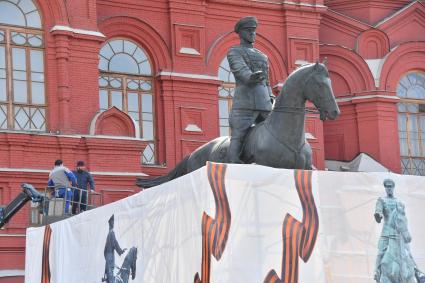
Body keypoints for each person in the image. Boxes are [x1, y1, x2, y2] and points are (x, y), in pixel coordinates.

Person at [227, 16, 275, 163]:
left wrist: (270, 94)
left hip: (265, 103)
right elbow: (239, 69)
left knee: (278, 131)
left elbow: (266, 80)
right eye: (248, 31)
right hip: (245, 104)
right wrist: (250, 76)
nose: (252, 34)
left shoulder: (262, 56)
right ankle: (232, 164)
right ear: (240, 33)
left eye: (254, 31)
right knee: (238, 137)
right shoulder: (234, 51)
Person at [374, 179, 425, 283]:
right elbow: (378, 211)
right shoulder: (381, 200)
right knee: (380, 253)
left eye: (391, 186)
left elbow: (402, 217)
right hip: (386, 233)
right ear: (385, 188)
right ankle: (376, 272)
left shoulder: (399, 202)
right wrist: (378, 215)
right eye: (387, 186)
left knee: (408, 252)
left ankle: (417, 271)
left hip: (399, 233)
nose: (389, 188)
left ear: (393, 187)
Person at [102, 215, 126, 283]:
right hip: (110, 255)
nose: (113, 224)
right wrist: (120, 251)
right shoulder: (111, 232)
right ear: (110, 223)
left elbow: (105, 249)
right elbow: (115, 243)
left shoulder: (109, 233)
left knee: (109, 272)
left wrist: (106, 256)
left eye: (113, 222)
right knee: (110, 272)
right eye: (112, 222)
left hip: (108, 255)